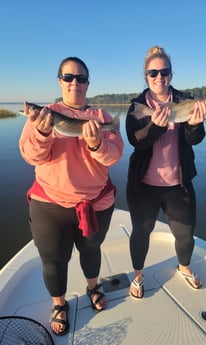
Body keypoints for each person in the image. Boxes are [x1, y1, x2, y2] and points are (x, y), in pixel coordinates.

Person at [19, 56, 124, 336]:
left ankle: (93, 286)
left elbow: (113, 157)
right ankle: (59, 304)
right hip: (49, 204)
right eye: (68, 77)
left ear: (88, 83)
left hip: (95, 203)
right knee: (53, 260)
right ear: (59, 81)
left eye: (80, 78)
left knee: (91, 249)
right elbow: (30, 155)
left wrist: (97, 143)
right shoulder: (46, 115)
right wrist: (42, 131)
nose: (74, 83)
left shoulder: (101, 118)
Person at [126, 46, 206, 299]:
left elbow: (195, 140)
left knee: (185, 233)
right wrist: (156, 128)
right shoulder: (138, 106)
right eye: (153, 73)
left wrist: (195, 124)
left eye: (164, 72)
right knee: (141, 231)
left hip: (178, 184)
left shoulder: (186, 101)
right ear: (146, 76)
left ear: (171, 74)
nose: (159, 77)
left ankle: (184, 267)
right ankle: (138, 274)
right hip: (144, 185)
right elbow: (135, 140)